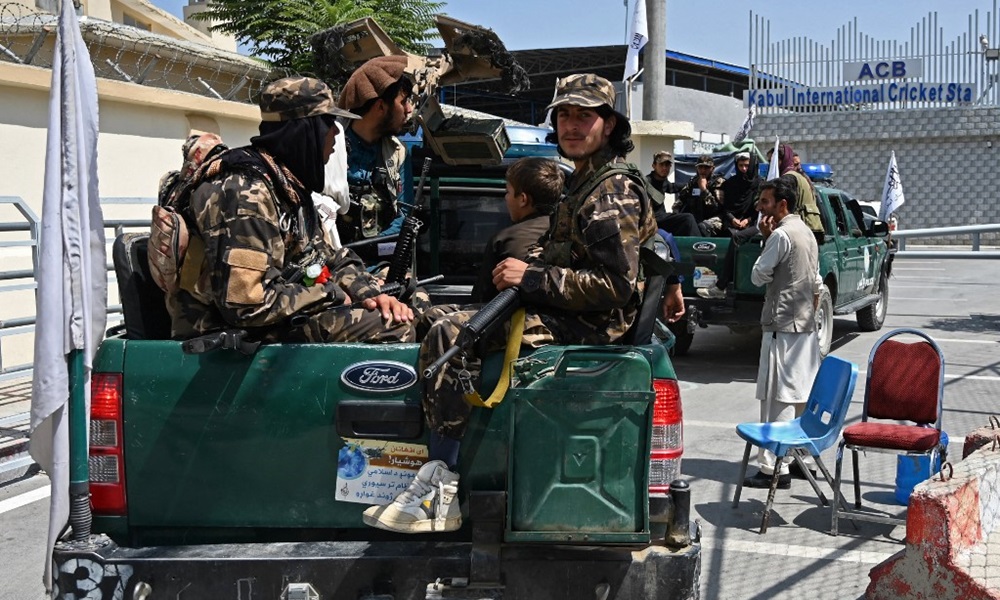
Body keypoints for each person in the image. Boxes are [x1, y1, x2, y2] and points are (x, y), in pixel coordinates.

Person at [362, 73, 660, 533]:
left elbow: (615, 286)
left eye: (585, 116)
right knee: (429, 314)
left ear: (610, 124)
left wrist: (532, 276)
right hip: (565, 309)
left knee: (451, 334)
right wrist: (528, 269)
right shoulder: (585, 181)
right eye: (564, 115)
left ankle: (442, 486)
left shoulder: (611, 190)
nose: (572, 126)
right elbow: (577, 249)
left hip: (591, 325)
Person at [168, 76, 415, 345]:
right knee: (393, 327)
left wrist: (369, 293)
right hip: (228, 333)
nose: (335, 135)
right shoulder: (244, 192)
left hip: (275, 317)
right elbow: (247, 305)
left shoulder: (288, 186)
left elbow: (329, 258)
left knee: (411, 306)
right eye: (327, 124)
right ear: (305, 131)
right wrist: (331, 294)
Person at [742, 175, 822, 489]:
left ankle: (773, 468)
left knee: (779, 398)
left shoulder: (781, 235)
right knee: (801, 395)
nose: (761, 208)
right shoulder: (808, 233)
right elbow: (815, 282)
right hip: (805, 326)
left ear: (782, 204)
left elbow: (758, 275)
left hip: (782, 328)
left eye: (765, 202)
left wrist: (766, 240)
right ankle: (800, 458)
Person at [335, 56, 414, 260]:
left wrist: (370, 252)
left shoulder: (397, 153)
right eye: (403, 102)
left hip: (379, 267)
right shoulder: (330, 146)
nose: (409, 109)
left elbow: (402, 217)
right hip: (331, 267)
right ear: (380, 107)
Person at [471, 157, 563, 303]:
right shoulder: (568, 232)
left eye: (508, 191)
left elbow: (481, 300)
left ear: (522, 199)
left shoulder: (503, 239)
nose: (505, 197)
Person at [697, 151, 762, 299]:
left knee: (737, 238)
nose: (744, 169)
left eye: (747, 165)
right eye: (740, 165)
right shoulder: (730, 184)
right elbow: (724, 208)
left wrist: (748, 221)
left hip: (752, 223)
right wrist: (733, 219)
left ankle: (722, 285)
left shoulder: (760, 185)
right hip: (731, 221)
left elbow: (759, 210)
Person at [647, 151, 700, 237]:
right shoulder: (647, 182)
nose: (664, 168)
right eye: (661, 165)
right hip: (653, 220)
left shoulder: (663, 180)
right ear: (654, 166)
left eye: (667, 165)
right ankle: (700, 246)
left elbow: (672, 188)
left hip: (663, 218)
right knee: (688, 218)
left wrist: (693, 184)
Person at [673, 154, 726, 236]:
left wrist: (704, 190)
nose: (703, 170)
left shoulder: (719, 183)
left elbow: (716, 208)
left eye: (706, 168)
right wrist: (676, 215)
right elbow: (679, 202)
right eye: (700, 167)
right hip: (696, 218)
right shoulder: (692, 183)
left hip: (715, 219)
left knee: (702, 227)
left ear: (712, 168)